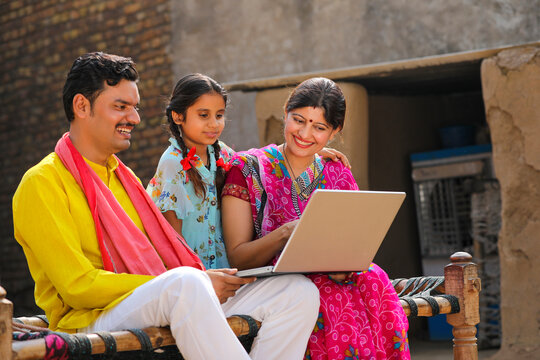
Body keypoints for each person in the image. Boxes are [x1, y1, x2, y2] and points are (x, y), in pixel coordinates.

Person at [12, 52, 320, 360]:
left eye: (134, 108)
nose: (134, 118)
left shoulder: (122, 177)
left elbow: (163, 265)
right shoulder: (42, 182)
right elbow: (78, 287)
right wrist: (195, 282)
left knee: (295, 292)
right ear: (82, 106)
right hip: (88, 319)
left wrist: (307, 154)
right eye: (121, 107)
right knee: (186, 282)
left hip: (160, 295)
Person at [222, 78, 411, 360]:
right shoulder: (248, 168)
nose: (305, 133)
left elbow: (354, 243)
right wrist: (285, 233)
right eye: (298, 120)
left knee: (373, 280)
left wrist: (344, 264)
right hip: (277, 285)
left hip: (338, 278)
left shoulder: (338, 174)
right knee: (325, 296)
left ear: (334, 132)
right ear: (285, 111)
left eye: (319, 127)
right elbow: (238, 258)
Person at [146, 73, 350, 270]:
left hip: (222, 270)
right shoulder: (173, 163)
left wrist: (310, 149)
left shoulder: (220, 153)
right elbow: (172, 238)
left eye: (219, 115)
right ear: (178, 116)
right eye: (203, 115)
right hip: (193, 274)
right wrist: (198, 279)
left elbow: (259, 161)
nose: (213, 124)